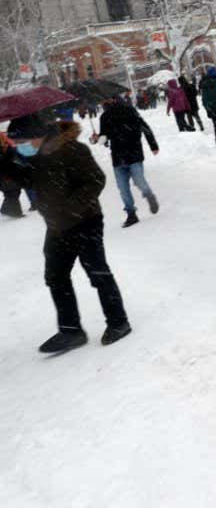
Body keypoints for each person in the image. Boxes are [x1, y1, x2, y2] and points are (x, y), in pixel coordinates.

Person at [1, 115, 132, 352]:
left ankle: (119, 322)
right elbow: (26, 181)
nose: (19, 147)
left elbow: (96, 180)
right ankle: (71, 331)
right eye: (15, 144)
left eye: (21, 142)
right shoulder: (35, 156)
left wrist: (71, 208)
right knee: (55, 276)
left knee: (97, 272)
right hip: (57, 227)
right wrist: (5, 163)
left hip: (86, 222)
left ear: (36, 136)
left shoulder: (72, 150)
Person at [92, 97, 159, 228]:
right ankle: (131, 213)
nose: (103, 102)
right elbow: (106, 138)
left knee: (139, 181)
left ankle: (149, 195)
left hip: (133, 153)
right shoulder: (104, 117)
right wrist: (98, 138)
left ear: (113, 99)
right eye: (102, 101)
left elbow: (144, 127)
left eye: (105, 100)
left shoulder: (129, 110)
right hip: (118, 156)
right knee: (123, 188)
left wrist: (153, 145)